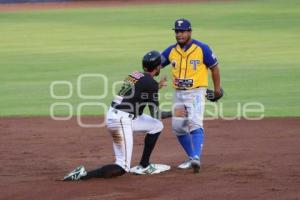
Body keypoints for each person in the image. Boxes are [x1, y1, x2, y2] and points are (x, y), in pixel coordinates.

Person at [63, 50, 185, 181]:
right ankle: (83, 175)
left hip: (117, 115)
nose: (161, 66)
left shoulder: (135, 74)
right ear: (157, 67)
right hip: (120, 120)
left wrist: (156, 87)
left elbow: (138, 92)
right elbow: (156, 113)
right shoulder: (151, 84)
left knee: (156, 126)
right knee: (122, 167)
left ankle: (144, 165)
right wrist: (174, 113)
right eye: (160, 65)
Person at [161, 18, 222, 173]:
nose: (179, 34)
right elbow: (156, 65)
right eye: (177, 31)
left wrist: (217, 90)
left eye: (182, 31)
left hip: (196, 92)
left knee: (195, 123)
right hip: (178, 94)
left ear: (189, 32)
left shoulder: (202, 49)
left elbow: (214, 68)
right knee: (178, 128)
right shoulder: (171, 51)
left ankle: (196, 157)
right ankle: (192, 157)